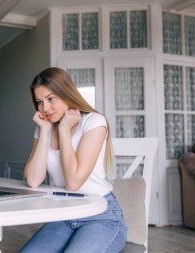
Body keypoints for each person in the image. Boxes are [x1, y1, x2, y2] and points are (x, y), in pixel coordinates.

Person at [20, 67, 127, 253]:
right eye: (39, 102)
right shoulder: (44, 126)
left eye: (51, 99)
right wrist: (45, 131)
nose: (45, 108)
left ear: (66, 94)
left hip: (101, 216)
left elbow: (73, 182)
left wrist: (63, 131)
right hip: (63, 215)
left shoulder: (94, 122)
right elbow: (33, 180)